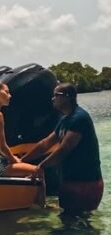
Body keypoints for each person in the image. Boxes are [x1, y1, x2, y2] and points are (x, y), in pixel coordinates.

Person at [22, 83, 103, 215]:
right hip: (70, 181)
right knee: (68, 220)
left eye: (56, 95)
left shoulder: (79, 118)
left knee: (76, 224)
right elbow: (45, 144)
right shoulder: (65, 119)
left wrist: (40, 167)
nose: (52, 99)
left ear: (67, 97)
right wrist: (22, 160)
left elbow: (64, 150)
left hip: (85, 182)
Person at [0, 79, 42, 194]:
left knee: (23, 166)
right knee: (38, 171)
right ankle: (42, 206)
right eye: (7, 92)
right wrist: (14, 159)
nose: (10, 96)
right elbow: (2, 147)